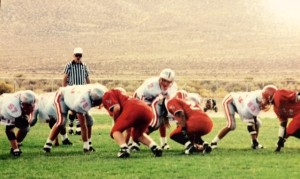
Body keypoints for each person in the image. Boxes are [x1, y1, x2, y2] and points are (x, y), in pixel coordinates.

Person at [43, 84, 107, 153]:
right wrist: (86, 147)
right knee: (61, 122)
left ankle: (89, 144)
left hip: (72, 98)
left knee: (90, 121)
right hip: (62, 97)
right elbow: (83, 125)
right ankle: (47, 145)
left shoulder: (97, 91)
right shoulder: (82, 101)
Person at [102, 88, 162, 158]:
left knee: (115, 131)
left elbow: (116, 108)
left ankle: (124, 150)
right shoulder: (124, 98)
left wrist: (116, 123)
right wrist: (125, 143)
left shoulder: (108, 93)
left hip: (133, 109)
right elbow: (128, 131)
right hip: (147, 110)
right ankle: (154, 147)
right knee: (137, 135)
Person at [132, 68, 177, 150]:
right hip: (142, 98)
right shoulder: (151, 85)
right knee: (148, 121)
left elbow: (167, 102)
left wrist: (166, 115)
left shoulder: (173, 88)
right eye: (164, 80)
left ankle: (163, 143)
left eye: (168, 81)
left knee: (161, 118)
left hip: (157, 99)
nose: (166, 83)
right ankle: (135, 142)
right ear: (160, 78)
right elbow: (140, 96)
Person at [166, 90, 213, 154]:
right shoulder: (191, 102)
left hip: (196, 122)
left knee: (174, 135)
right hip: (209, 124)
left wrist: (183, 129)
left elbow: (181, 114)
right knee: (191, 132)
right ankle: (205, 145)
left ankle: (189, 146)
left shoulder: (173, 101)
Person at [261, 85, 300, 152]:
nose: (264, 100)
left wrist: (283, 138)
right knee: (288, 132)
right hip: (298, 115)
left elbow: (297, 95)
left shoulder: (279, 94)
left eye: (265, 97)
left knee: (290, 129)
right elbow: (283, 124)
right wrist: (280, 140)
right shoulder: (276, 109)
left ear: (269, 94)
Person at [63, 47, 90, 135]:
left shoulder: (84, 66)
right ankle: (71, 126)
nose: (78, 57)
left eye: (80, 55)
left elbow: (87, 78)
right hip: (72, 90)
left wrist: (89, 88)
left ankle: (78, 129)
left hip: (81, 91)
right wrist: (65, 89)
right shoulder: (69, 65)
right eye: (76, 55)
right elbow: (65, 78)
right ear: (73, 55)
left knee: (80, 109)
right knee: (72, 109)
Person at [0, 90, 36, 156]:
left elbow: (31, 110)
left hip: (8, 102)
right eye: (26, 105)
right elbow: (9, 129)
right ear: (21, 103)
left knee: (26, 128)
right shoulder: (13, 107)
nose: (28, 107)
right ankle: (15, 149)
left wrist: (30, 117)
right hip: (3, 108)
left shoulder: (30, 96)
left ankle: (17, 145)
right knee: (10, 129)